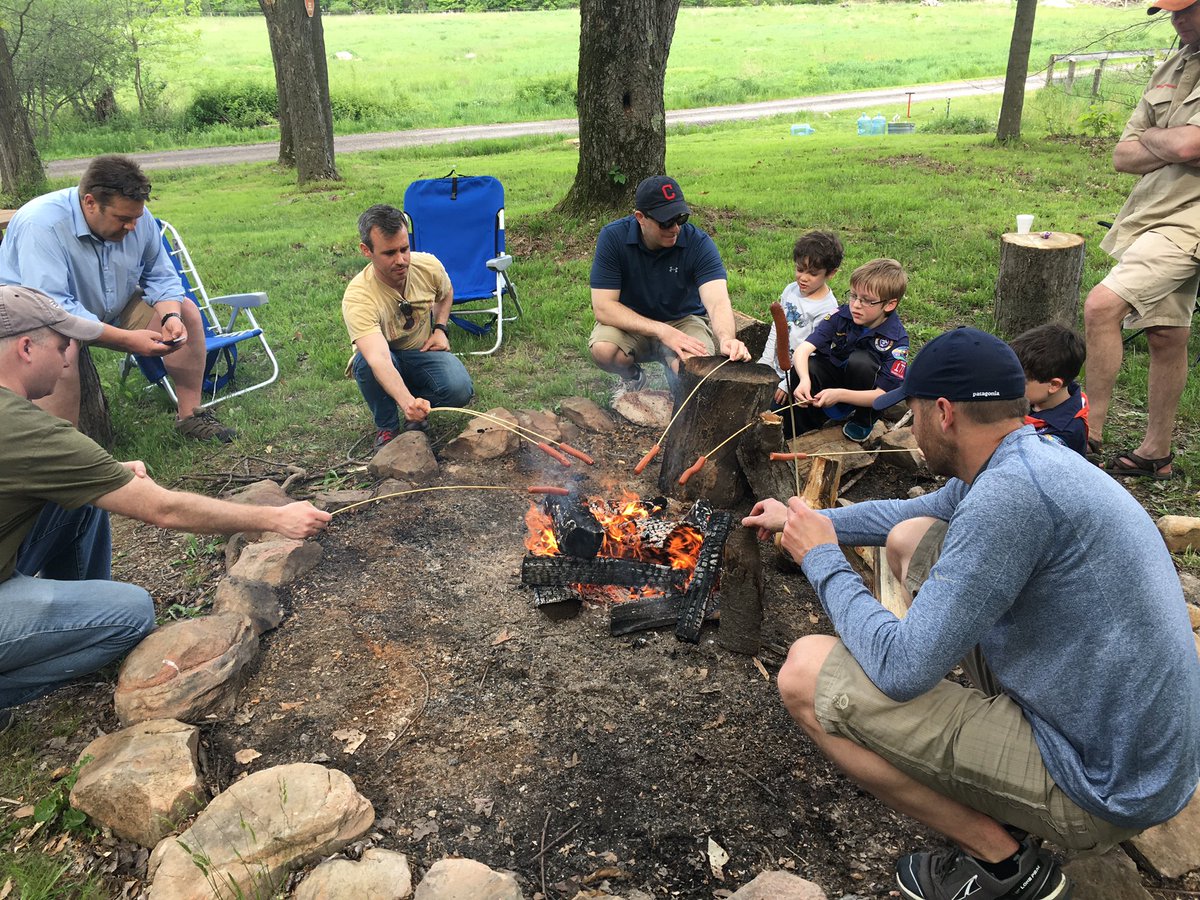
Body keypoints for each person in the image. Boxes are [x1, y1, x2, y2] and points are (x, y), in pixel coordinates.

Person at [743, 327, 1200, 900]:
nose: (909, 426)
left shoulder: (1011, 499)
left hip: (1100, 786)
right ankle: (1001, 787)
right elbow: (918, 513)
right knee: (914, 536)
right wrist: (812, 519)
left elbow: (901, 669)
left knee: (805, 672)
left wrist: (822, 558)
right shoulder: (1024, 456)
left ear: (943, 413)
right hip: (1118, 738)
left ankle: (1005, 864)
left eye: (910, 411)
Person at [0, 285, 331, 730]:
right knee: (130, 613)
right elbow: (165, 512)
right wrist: (275, 517)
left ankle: (66, 624)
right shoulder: (24, 429)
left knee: (81, 499)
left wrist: (103, 471)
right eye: (62, 347)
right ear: (25, 348)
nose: (67, 360)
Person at [0, 155, 235, 442]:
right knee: (62, 348)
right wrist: (126, 340)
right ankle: (64, 449)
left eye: (136, 218)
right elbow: (54, 309)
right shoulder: (41, 225)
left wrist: (170, 316)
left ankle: (191, 417)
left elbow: (161, 275)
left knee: (186, 311)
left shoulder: (138, 218)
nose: (132, 227)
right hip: (36, 318)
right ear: (90, 202)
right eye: (123, 219)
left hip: (110, 305)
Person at [1082, 0, 1200, 480]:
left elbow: (1191, 146)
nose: (1177, 21)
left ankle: (1086, 431)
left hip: (1191, 218)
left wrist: (1157, 138)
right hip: (1153, 211)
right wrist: (1167, 140)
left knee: (1102, 305)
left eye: (1187, 10)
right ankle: (1157, 453)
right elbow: (1121, 155)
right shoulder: (1176, 64)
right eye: (1171, 13)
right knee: (1166, 334)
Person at [588, 175, 751, 397]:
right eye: (665, 222)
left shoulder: (698, 243)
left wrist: (726, 338)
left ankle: (676, 385)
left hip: (683, 319)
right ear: (640, 217)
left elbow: (717, 301)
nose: (674, 228)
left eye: (680, 218)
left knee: (694, 368)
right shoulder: (613, 238)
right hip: (632, 322)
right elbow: (604, 307)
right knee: (604, 351)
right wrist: (662, 331)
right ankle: (633, 377)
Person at [342, 204, 474, 449]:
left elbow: (446, 292)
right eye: (390, 253)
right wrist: (406, 403)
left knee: (460, 388)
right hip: (383, 359)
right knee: (365, 364)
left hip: (419, 353)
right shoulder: (358, 296)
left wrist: (440, 329)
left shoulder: (428, 266)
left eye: (404, 249)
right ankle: (387, 426)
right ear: (366, 251)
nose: (401, 260)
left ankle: (416, 404)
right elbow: (378, 357)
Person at [788, 258, 909, 442]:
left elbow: (883, 395)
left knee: (862, 362)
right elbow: (803, 349)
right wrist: (804, 379)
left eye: (867, 301)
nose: (856, 305)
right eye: (853, 296)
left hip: (866, 391)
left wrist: (839, 394)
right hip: (838, 375)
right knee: (807, 366)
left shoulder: (896, 340)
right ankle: (805, 426)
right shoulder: (842, 315)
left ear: (889, 304)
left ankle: (862, 421)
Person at [758, 230, 843, 405]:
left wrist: (787, 382)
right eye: (799, 269)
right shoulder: (790, 290)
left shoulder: (827, 309)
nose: (803, 278)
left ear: (831, 273)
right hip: (776, 365)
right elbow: (778, 327)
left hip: (798, 376)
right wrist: (766, 361)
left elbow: (815, 354)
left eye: (812, 273)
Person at [1008, 323, 1090, 457]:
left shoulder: (1065, 432)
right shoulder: (1036, 398)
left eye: (1021, 381)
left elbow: (1030, 464)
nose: (1011, 385)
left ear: (1054, 385)